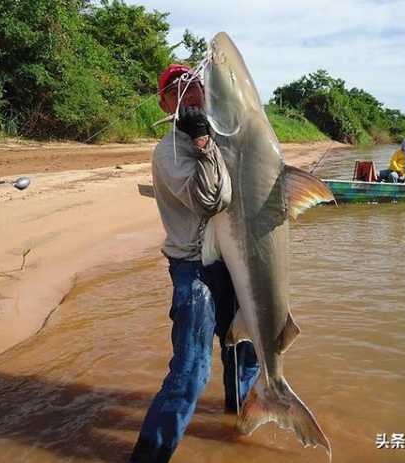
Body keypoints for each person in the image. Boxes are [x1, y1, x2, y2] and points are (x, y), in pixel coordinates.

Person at [128, 64, 260, 463]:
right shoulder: (169, 148)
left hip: (229, 265)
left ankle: (235, 428)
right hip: (194, 270)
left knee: (244, 353)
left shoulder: (221, 137)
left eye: (194, 83)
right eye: (176, 88)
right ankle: (149, 456)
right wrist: (202, 141)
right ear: (164, 101)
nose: (188, 91)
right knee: (190, 373)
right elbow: (212, 200)